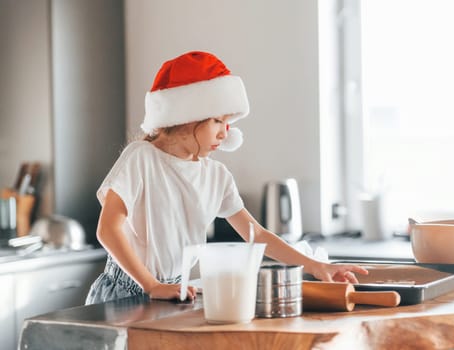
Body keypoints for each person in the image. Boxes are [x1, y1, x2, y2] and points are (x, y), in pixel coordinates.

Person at [85, 51, 367, 305]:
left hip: (170, 292)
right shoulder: (141, 158)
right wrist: (151, 285)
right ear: (187, 117)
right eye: (218, 121)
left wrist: (316, 267)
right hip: (127, 291)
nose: (225, 132)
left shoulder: (216, 175)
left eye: (228, 122)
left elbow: (257, 235)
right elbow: (108, 230)